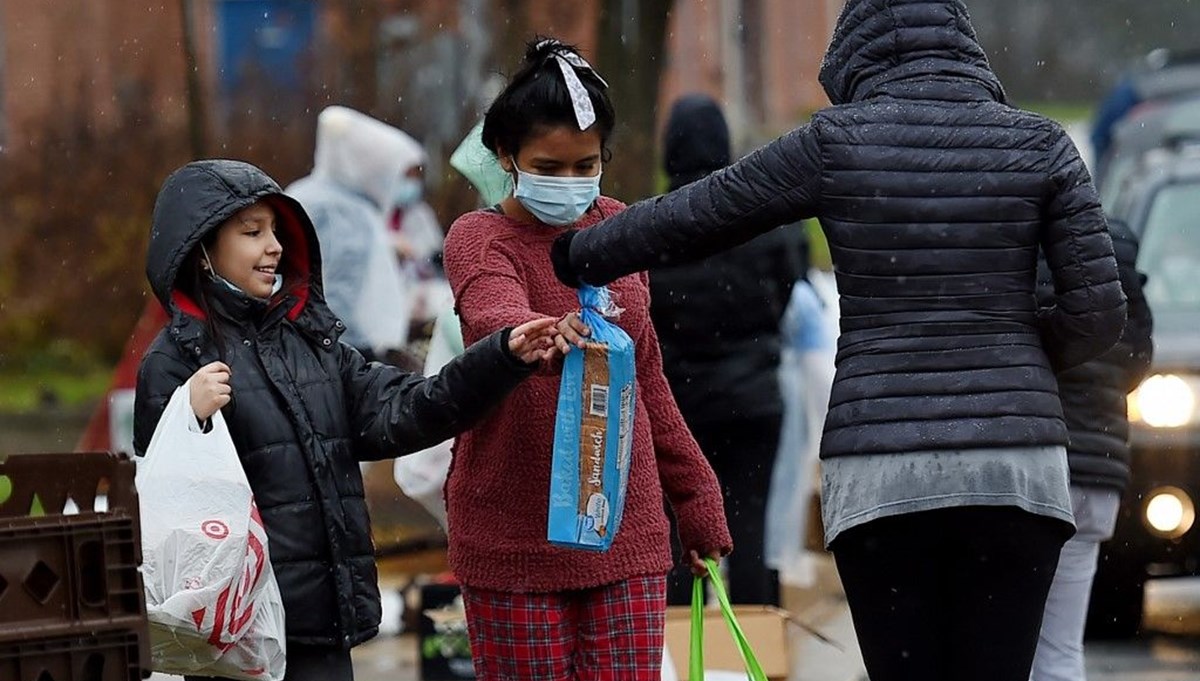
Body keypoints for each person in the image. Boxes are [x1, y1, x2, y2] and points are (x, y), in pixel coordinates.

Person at [550, 2, 1128, 680]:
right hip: (1017, 470)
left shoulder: (835, 142)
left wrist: (576, 254)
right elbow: (1100, 311)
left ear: (857, 50)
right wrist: (1017, 362)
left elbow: (700, 213)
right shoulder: (1043, 144)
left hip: (882, 469)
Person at [133, 159, 560, 681]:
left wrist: (500, 358)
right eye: (252, 233)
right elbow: (159, 501)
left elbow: (409, 408)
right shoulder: (175, 360)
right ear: (200, 250)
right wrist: (189, 417)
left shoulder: (313, 343)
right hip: (233, 639)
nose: (274, 247)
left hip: (322, 628)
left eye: (275, 232)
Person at [441, 39, 732, 680]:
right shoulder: (478, 238)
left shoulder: (621, 230)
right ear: (505, 156)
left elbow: (648, 380)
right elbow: (493, 310)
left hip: (624, 533)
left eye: (585, 165)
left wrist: (697, 496)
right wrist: (530, 339)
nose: (570, 184)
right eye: (550, 166)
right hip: (511, 534)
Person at [651, 93, 805, 607]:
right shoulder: (765, 222)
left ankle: (678, 650)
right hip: (755, 401)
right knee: (749, 528)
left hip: (680, 406)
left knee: (677, 531)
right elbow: (788, 292)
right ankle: (754, 648)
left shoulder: (651, 226)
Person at [1031, 219, 1154, 681]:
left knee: (1004, 641)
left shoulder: (1012, 233)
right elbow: (1138, 353)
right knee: (1061, 647)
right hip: (1098, 469)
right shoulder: (1114, 239)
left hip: (1029, 463)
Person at [287, 106, 442, 361]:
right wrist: (357, 350)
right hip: (342, 349)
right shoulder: (341, 209)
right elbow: (338, 291)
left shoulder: (311, 195)